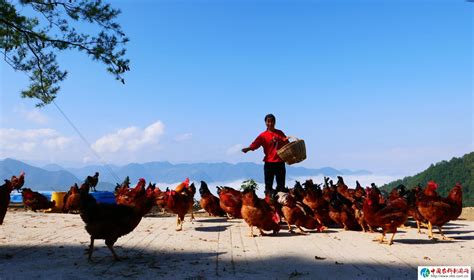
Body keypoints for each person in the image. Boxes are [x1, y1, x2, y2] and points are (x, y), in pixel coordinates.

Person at [242, 114, 289, 194]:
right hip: (269, 163)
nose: (270, 123)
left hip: (280, 162)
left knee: (281, 187)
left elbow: (287, 144)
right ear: (265, 122)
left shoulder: (280, 133)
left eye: (272, 121)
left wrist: (280, 140)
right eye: (268, 121)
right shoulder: (263, 135)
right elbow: (255, 145)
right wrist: (248, 149)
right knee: (268, 187)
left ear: (275, 122)